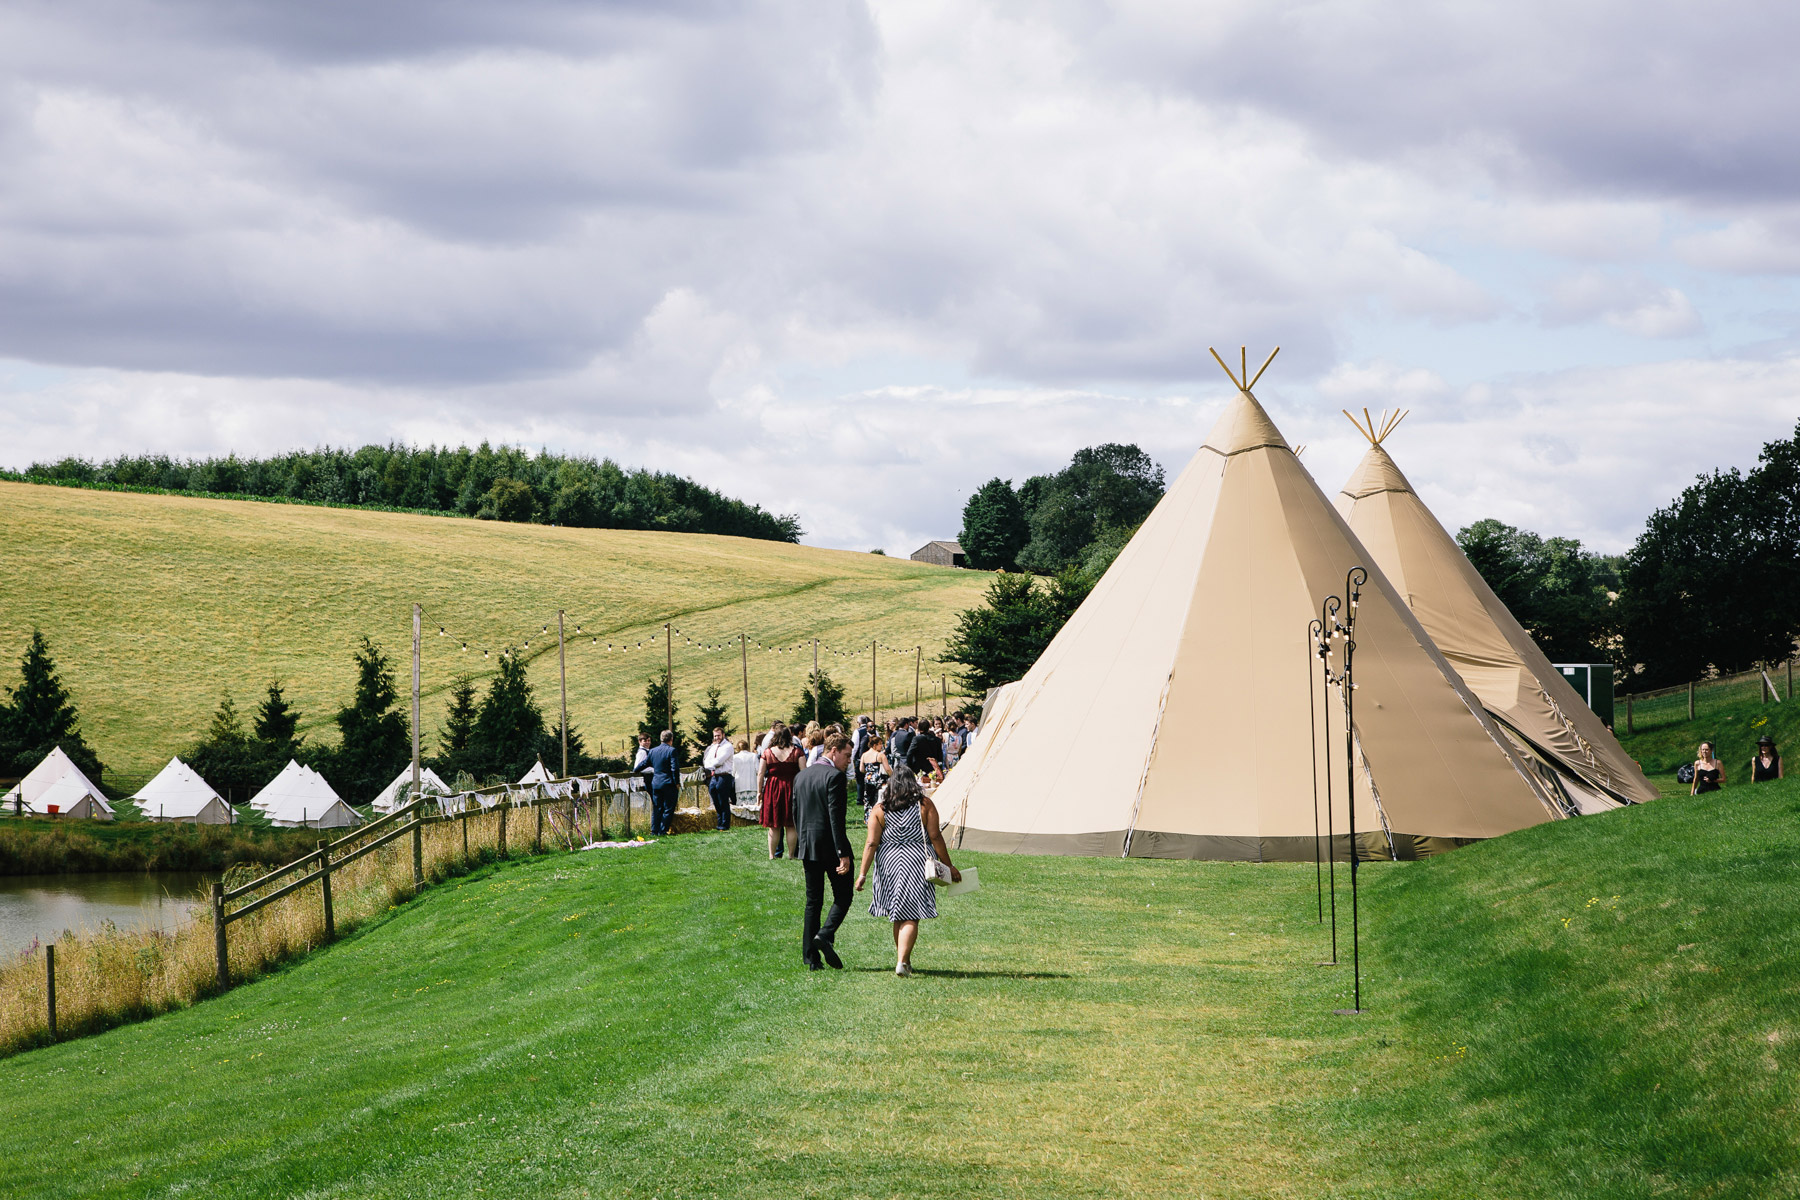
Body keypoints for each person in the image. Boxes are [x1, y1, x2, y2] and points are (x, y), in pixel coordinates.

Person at [855, 765, 959, 977]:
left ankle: (904, 960)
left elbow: (871, 843)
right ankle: (902, 961)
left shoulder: (879, 809)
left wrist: (862, 874)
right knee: (911, 914)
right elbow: (935, 837)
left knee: (898, 913)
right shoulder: (924, 805)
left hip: (889, 862)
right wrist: (949, 865)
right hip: (916, 861)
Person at [795, 733, 856, 970]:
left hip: (807, 845)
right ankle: (825, 934)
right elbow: (836, 818)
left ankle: (811, 959)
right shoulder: (835, 777)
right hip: (830, 846)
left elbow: (795, 813)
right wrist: (843, 852)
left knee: (813, 902)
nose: (849, 761)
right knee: (844, 894)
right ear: (833, 751)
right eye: (847, 755)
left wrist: (802, 842)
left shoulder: (801, 776)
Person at [757, 727, 802, 859]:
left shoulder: (767, 752)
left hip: (773, 788)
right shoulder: (797, 751)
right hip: (791, 787)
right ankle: (791, 855)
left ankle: (772, 855)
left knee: (774, 824)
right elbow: (804, 771)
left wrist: (759, 792)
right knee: (791, 824)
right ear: (790, 737)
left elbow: (760, 773)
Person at [702, 727, 736, 831]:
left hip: (724, 776)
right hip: (714, 776)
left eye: (718, 735)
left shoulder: (728, 746)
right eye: (715, 736)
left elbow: (719, 761)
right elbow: (706, 761)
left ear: (723, 735)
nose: (717, 738)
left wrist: (711, 764)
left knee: (723, 801)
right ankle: (719, 823)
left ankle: (724, 825)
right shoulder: (714, 746)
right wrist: (710, 764)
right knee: (715, 799)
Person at [647, 731, 681, 835]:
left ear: (661, 739)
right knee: (668, 808)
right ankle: (663, 830)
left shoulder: (652, 751)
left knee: (657, 807)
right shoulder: (672, 751)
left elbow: (645, 763)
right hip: (668, 783)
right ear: (671, 739)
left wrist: (636, 769)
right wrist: (677, 782)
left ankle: (654, 830)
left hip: (656, 783)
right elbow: (674, 768)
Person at [859, 733, 891, 815]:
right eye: (880, 744)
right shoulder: (880, 755)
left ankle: (868, 816)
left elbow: (861, 769)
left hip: (868, 778)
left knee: (868, 799)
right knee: (879, 798)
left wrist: (869, 773)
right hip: (878, 779)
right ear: (874, 745)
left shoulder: (864, 755)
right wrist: (893, 775)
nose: (882, 746)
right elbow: (887, 769)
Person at [731, 738, 760, 813]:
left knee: (741, 806)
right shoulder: (753, 756)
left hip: (740, 785)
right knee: (753, 805)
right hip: (752, 784)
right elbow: (758, 770)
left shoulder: (734, 757)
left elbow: (732, 772)